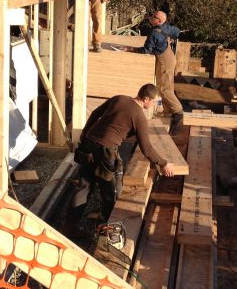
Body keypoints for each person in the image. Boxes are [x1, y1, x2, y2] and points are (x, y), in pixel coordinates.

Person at [63, 84, 176, 238]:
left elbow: (95, 113)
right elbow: (147, 149)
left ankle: (68, 228)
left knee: (84, 185)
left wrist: (85, 133)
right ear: (146, 99)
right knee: (111, 191)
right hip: (106, 152)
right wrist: (164, 163)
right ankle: (106, 231)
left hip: (89, 144)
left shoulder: (119, 98)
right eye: (154, 102)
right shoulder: (139, 116)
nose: (154, 105)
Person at [125, 11, 184, 134]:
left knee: (163, 89)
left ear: (159, 20)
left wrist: (130, 49)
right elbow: (177, 32)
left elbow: (146, 50)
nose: (151, 18)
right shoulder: (166, 27)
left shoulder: (154, 32)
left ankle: (178, 112)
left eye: (153, 17)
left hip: (164, 61)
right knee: (167, 86)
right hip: (169, 56)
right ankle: (168, 111)